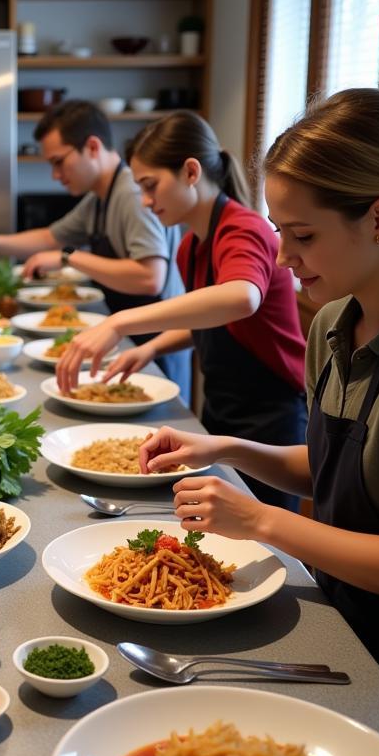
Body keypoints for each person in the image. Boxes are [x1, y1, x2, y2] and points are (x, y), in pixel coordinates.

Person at [138, 88, 379, 756]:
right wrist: (223, 448)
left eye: (304, 234)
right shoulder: (333, 324)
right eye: (280, 230)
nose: (283, 256)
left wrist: (259, 522)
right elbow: (333, 464)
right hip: (341, 624)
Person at [56, 110, 306, 511]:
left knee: (270, 539)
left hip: (271, 415)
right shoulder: (192, 245)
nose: (146, 201)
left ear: (191, 172)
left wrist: (121, 322)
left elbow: (241, 298)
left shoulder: (243, 228)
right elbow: (212, 322)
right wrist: (151, 348)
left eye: (151, 185)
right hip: (222, 406)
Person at [0, 100, 190, 400]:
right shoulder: (100, 196)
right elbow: (50, 237)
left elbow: (149, 277)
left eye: (58, 161)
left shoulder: (130, 193)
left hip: (154, 348)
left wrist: (69, 257)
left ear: (91, 147)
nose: (55, 174)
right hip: (128, 340)